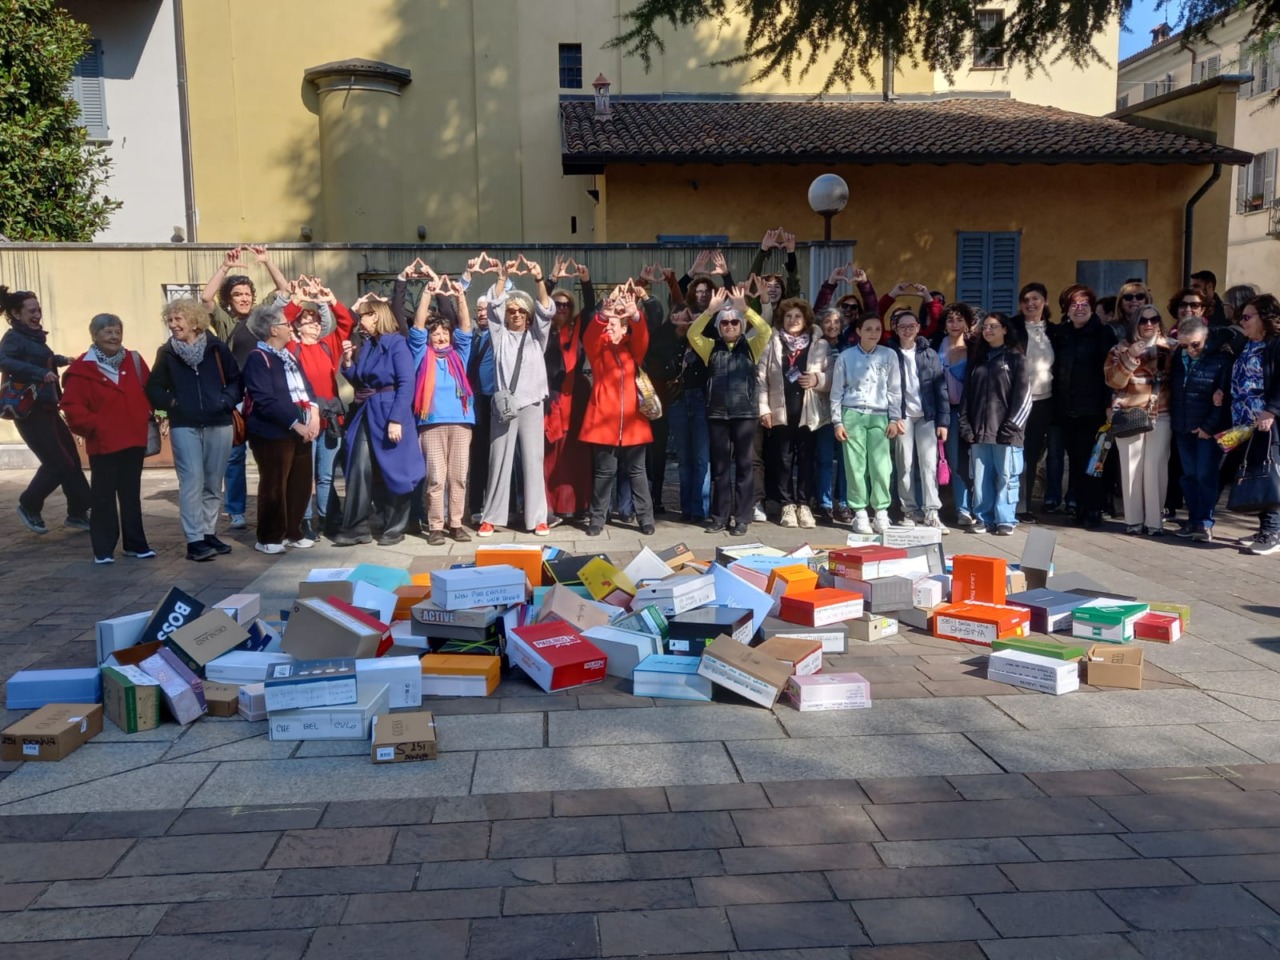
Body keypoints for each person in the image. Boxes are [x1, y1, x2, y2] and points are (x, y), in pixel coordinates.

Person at [200, 245, 290, 530]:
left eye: (247, 293)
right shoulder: (226, 323)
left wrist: (267, 262)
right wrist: (225, 267)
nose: (243, 298)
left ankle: (273, 506)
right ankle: (236, 510)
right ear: (229, 299)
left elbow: (284, 290)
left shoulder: (262, 317)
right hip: (237, 399)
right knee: (235, 457)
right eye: (237, 294)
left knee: (269, 454)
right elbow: (205, 298)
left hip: (264, 397)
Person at [145, 298, 242, 562]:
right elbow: (154, 387)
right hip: (184, 425)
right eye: (170, 319)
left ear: (195, 322)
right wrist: (173, 403)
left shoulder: (216, 348)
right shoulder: (167, 353)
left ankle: (208, 532)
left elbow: (236, 380)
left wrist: (225, 401)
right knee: (191, 482)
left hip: (219, 423)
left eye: (178, 319)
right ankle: (194, 539)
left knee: (213, 482)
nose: (173, 324)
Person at [60, 313, 155, 563]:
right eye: (108, 332)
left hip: (133, 439)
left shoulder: (134, 360)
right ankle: (103, 549)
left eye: (118, 332)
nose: (115, 337)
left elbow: (150, 390)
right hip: (103, 443)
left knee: (131, 495)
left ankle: (135, 544)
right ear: (95, 335)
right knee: (103, 498)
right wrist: (95, 426)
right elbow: (72, 406)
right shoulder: (81, 369)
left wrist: (150, 413)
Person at [0, 286, 92, 535]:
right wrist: (40, 372)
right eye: (31, 311)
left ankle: (78, 513)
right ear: (16, 314)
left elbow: (39, 359)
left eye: (38, 309)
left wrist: (63, 360)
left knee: (71, 460)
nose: (37, 315)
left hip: (47, 407)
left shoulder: (33, 337)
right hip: (30, 411)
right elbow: (4, 360)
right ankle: (28, 505)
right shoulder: (14, 337)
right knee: (57, 463)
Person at [333, 298, 423, 547]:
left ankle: (395, 527)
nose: (359, 321)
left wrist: (396, 419)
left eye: (362, 315)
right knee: (358, 465)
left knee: (395, 468)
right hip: (368, 411)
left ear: (375, 316)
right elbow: (361, 380)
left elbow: (407, 382)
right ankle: (356, 527)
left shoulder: (396, 343)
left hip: (389, 411)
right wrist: (348, 362)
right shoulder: (370, 345)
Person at [478, 258, 556, 537]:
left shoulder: (537, 336)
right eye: (511, 311)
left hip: (532, 403)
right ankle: (491, 518)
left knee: (533, 461)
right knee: (498, 461)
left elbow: (546, 309)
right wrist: (503, 276)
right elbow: (493, 305)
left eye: (521, 311)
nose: (516, 314)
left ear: (528, 315)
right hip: (505, 405)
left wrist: (539, 279)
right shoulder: (499, 335)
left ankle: (538, 518)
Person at [688, 285, 772, 535]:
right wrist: (709, 312)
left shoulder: (752, 346)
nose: (730, 326)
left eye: (735, 322)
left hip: (745, 414)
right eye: (724, 323)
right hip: (717, 414)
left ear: (742, 325)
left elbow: (766, 330)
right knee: (720, 469)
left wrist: (745, 310)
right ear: (719, 327)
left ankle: (742, 518)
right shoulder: (710, 347)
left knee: (745, 467)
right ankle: (719, 517)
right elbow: (692, 333)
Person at [241, 304, 320, 554]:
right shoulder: (257, 358)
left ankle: (292, 531)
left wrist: (314, 414)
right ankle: (269, 537)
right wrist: (295, 424)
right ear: (273, 330)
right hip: (272, 433)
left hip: (301, 430)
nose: (290, 328)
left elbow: (307, 387)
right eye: (286, 324)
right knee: (274, 486)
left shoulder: (288, 355)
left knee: (300, 484)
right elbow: (264, 399)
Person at [580, 285, 656, 537]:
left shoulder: (632, 349)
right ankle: (597, 519)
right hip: (603, 421)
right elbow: (589, 336)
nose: (609, 328)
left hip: (633, 422)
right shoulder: (598, 348)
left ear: (624, 329)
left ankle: (646, 519)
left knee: (638, 473)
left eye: (614, 325)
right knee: (604, 473)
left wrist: (635, 315)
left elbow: (643, 337)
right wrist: (603, 315)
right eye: (607, 325)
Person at [284, 283, 355, 540]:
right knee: (305, 474)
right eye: (308, 321)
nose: (314, 324)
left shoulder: (327, 345)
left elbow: (346, 323)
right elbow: (281, 320)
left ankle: (326, 519)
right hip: (305, 418)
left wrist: (330, 300)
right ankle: (304, 521)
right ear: (297, 327)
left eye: (316, 321)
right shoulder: (292, 349)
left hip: (330, 418)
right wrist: (298, 300)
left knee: (326, 475)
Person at [409, 278, 475, 545]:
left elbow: (466, 328)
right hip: (431, 423)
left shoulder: (459, 355)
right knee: (436, 478)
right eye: (435, 333)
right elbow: (417, 328)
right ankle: (436, 526)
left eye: (444, 332)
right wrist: (427, 293)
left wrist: (461, 297)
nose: (441, 337)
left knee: (458, 477)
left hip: (461, 422)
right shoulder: (420, 354)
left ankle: (456, 524)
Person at [830, 311, 904, 535]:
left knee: (881, 466)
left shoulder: (889, 355)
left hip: (879, 415)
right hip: (852, 414)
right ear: (858, 331)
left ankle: (881, 511)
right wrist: (837, 422)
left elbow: (895, 390)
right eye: (868, 329)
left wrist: (894, 418)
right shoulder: (846, 356)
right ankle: (860, 512)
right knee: (855, 466)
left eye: (878, 329)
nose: (873, 333)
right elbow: (837, 392)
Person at [758, 297, 829, 530]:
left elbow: (833, 376)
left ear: (806, 319)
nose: (793, 320)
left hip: (808, 412)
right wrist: (764, 408)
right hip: (781, 411)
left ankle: (804, 504)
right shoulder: (772, 343)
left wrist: (818, 379)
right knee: (783, 460)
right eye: (788, 316)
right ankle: (787, 504)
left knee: (807, 460)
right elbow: (761, 378)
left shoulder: (820, 345)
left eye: (798, 316)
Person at [960, 312, 1031, 536]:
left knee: (1007, 478)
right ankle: (984, 518)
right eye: (985, 327)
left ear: (1005, 329)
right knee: (980, 480)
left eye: (993, 326)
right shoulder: (977, 360)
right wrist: (966, 425)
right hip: (979, 433)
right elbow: (966, 396)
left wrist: (1012, 427)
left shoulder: (1016, 359)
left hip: (1007, 433)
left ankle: (1005, 520)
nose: (988, 330)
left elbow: (1024, 398)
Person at [1105, 303, 1173, 535]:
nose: (1149, 324)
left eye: (1154, 319)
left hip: (1161, 412)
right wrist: (1130, 357)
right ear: (1135, 323)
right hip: (1129, 413)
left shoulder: (1172, 347)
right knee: (1130, 468)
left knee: (1156, 467)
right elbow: (1113, 381)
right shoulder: (1120, 348)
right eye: (1143, 320)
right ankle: (1133, 520)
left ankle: (1155, 521)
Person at [1052, 285, 1116, 529]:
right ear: (1066, 309)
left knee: (1095, 462)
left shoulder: (1103, 333)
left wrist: (1109, 403)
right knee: (1077, 462)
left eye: (1084, 305)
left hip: (1094, 410)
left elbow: (1110, 372)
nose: (1079, 309)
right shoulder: (1061, 333)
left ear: (1092, 307)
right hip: (1067, 409)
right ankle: (1079, 507)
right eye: (1074, 305)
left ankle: (1094, 510)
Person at [1167, 314, 1230, 542]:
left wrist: (1208, 427)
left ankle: (1205, 522)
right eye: (1185, 345)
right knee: (1189, 476)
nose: (1191, 350)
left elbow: (1224, 398)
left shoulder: (1221, 358)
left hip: (1206, 429)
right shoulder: (1178, 357)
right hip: (1183, 426)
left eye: (1195, 344)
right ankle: (1193, 519)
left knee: (1206, 475)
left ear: (1205, 337)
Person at [887, 308, 948, 531]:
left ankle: (932, 511)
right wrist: (893, 417)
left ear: (918, 328)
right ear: (895, 329)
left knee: (929, 464)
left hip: (927, 416)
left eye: (911, 326)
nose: (907, 330)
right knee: (905, 464)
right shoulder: (889, 353)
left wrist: (943, 422)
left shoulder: (929, 353)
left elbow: (940, 387)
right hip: (902, 416)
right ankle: (909, 510)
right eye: (902, 326)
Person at [543, 259, 594, 522]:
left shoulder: (578, 329)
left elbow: (592, 307)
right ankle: (550, 507)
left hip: (577, 399)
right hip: (550, 398)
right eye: (557, 304)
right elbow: (539, 303)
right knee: (551, 455)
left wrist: (585, 281)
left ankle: (578, 506)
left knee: (576, 456)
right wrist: (551, 279)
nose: (562, 308)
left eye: (566, 305)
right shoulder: (542, 331)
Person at [1229, 295, 1280, 555]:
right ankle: (1264, 528)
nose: (1242, 322)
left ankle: (1273, 531)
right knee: (1258, 471)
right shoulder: (1247, 344)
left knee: (1271, 472)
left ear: (1264, 318)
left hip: (1268, 421)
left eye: (1247, 317)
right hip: (1245, 423)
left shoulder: (1276, 344)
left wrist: (1272, 410)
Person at [1010, 282, 1058, 520]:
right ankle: (1011, 506)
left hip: (1044, 402)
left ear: (1045, 301)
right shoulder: (1012, 329)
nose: (1030, 304)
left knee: (1032, 455)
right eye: (1026, 300)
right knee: (1014, 453)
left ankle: (1024, 506)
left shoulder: (1055, 332)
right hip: (1018, 401)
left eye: (1035, 299)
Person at [938, 302, 976, 527]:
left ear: (967, 324)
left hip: (962, 413)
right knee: (935, 461)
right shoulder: (935, 345)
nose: (954, 324)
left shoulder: (975, 349)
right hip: (937, 412)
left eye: (959, 319)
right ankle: (931, 508)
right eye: (950, 319)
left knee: (959, 462)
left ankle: (964, 509)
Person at [812, 306, 848, 523]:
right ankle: (824, 503)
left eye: (836, 322)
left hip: (845, 410)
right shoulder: (815, 346)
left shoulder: (848, 347)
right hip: (823, 410)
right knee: (824, 459)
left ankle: (844, 503)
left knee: (845, 460)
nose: (832, 326)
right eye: (827, 321)